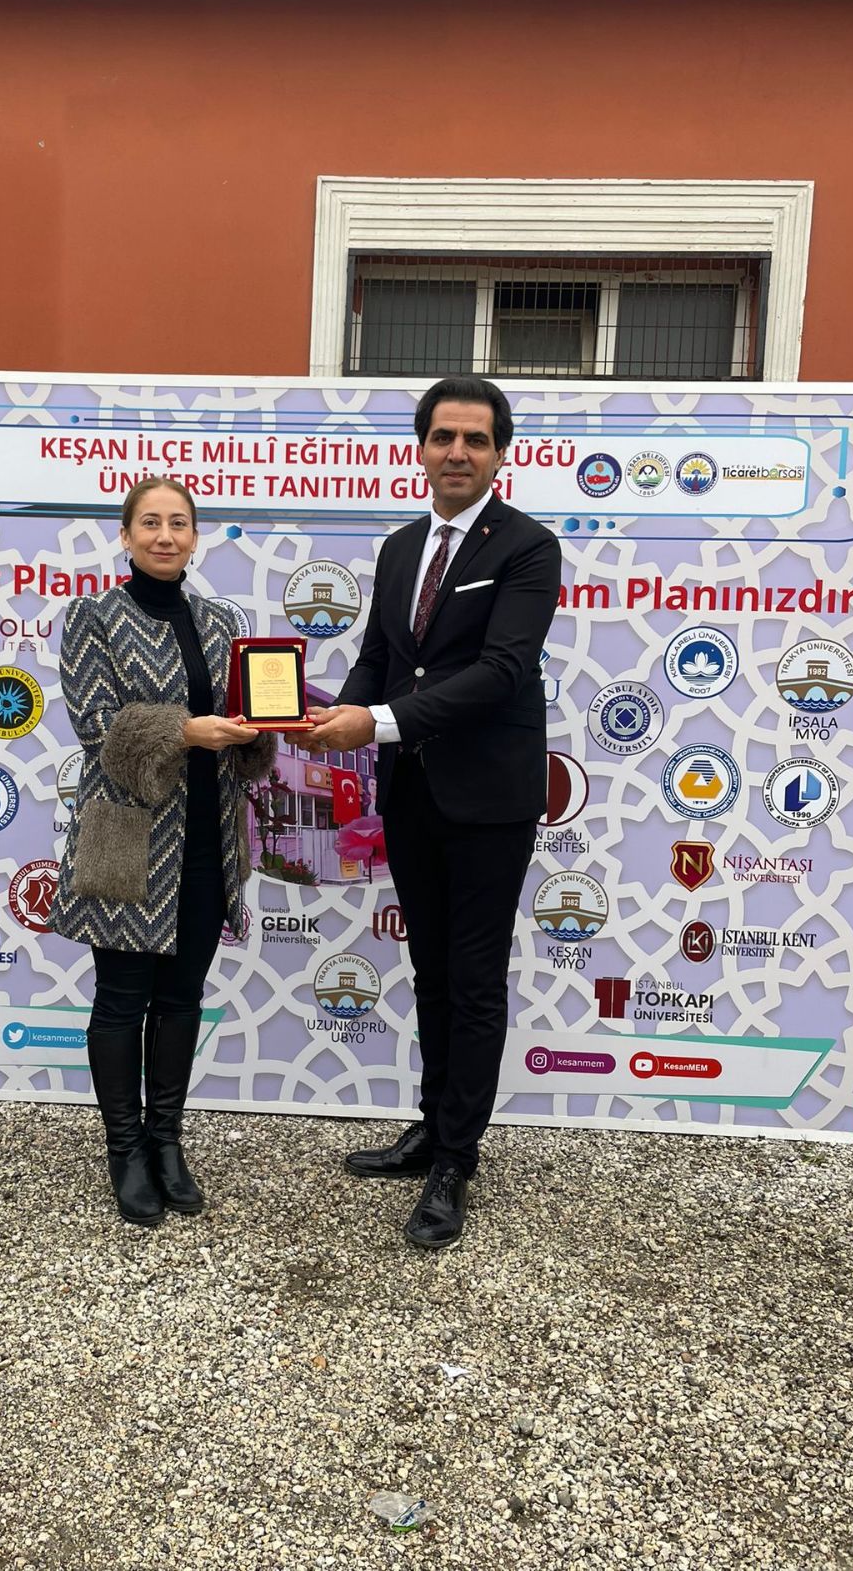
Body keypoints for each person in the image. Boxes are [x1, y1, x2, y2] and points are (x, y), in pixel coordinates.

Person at [306, 376, 561, 1250]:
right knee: (432, 972)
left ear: (500, 454)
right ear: (420, 448)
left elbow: (502, 670)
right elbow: (381, 655)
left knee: (475, 978)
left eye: (475, 439)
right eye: (444, 436)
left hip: (488, 798)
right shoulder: (400, 546)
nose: (458, 452)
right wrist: (333, 715)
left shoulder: (528, 547)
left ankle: (456, 1159)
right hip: (411, 791)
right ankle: (432, 1124)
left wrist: (375, 722)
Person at [48, 479, 277, 1227]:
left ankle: (167, 1141)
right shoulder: (93, 617)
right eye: (150, 522)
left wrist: (262, 729)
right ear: (126, 535)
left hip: (209, 838)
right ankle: (125, 1150)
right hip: (128, 840)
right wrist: (186, 730)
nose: (165, 535)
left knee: (182, 998)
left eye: (179, 523)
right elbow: (96, 727)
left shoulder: (222, 621)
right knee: (121, 999)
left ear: (196, 536)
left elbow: (244, 720)